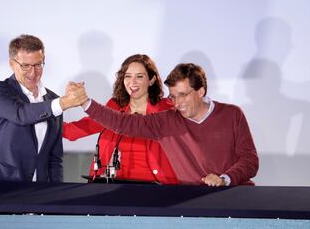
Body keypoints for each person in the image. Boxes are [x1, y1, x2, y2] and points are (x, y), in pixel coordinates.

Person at [81, 63, 259, 186]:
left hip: (233, 193)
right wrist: (85, 102)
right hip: (192, 202)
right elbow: (122, 123)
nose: (177, 102)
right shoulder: (167, 120)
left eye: (183, 95)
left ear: (201, 91)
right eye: (173, 96)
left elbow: (250, 161)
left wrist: (225, 179)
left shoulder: (232, 114)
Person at [0, 34, 87, 182]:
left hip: (38, 190)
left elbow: (54, 158)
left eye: (38, 64)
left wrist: (57, 193)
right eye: (25, 66)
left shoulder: (52, 100)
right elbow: (22, 114)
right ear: (12, 63)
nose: (33, 72)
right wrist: (64, 102)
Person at [63, 54, 178, 184]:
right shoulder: (115, 106)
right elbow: (72, 131)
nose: (132, 82)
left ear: (151, 80)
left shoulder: (166, 108)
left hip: (157, 187)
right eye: (128, 76)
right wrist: (50, 110)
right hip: (114, 186)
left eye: (139, 76)